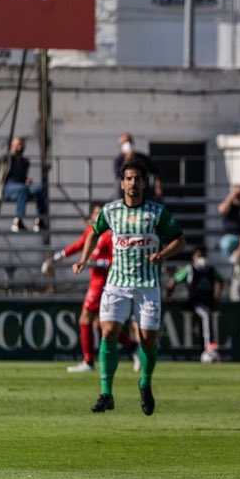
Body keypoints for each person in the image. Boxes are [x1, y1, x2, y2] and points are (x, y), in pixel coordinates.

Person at [73, 159, 185, 415]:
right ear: (122, 183)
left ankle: (145, 383)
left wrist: (164, 254)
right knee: (108, 331)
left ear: (144, 183)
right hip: (117, 284)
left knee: (147, 340)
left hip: (147, 285)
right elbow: (93, 232)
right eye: (129, 178)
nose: (133, 183)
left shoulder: (156, 213)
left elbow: (180, 240)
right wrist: (83, 259)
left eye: (137, 179)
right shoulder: (111, 211)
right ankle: (106, 393)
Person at [42, 202, 139, 373]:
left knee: (85, 318)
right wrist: (55, 259)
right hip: (95, 281)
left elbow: (116, 261)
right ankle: (133, 347)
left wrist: (96, 263)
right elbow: (78, 246)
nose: (97, 216)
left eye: (100, 213)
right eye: (95, 213)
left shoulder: (111, 236)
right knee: (100, 326)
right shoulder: (91, 232)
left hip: (104, 282)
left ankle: (88, 362)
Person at [0, 137, 48, 232]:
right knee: (22, 189)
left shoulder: (25, 161)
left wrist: (26, 180)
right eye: (18, 144)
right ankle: (17, 221)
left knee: (40, 188)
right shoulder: (5, 157)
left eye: (22, 144)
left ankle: (39, 221)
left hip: (21, 187)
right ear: (12, 146)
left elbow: (22, 178)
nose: (20, 146)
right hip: (6, 188)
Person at [165, 245, 224, 355]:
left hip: (209, 302)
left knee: (208, 315)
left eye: (203, 255)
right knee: (206, 315)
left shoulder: (211, 269)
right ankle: (209, 345)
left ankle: (208, 346)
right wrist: (169, 295)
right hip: (196, 302)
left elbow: (221, 280)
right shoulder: (190, 269)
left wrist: (217, 294)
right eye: (199, 255)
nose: (202, 258)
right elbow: (174, 280)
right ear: (194, 257)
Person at [113, 133, 162, 201]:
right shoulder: (118, 160)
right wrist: (127, 159)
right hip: (125, 191)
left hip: (143, 189)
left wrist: (158, 188)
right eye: (125, 142)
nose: (127, 144)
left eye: (129, 141)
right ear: (120, 145)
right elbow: (119, 177)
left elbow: (156, 171)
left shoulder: (142, 157)